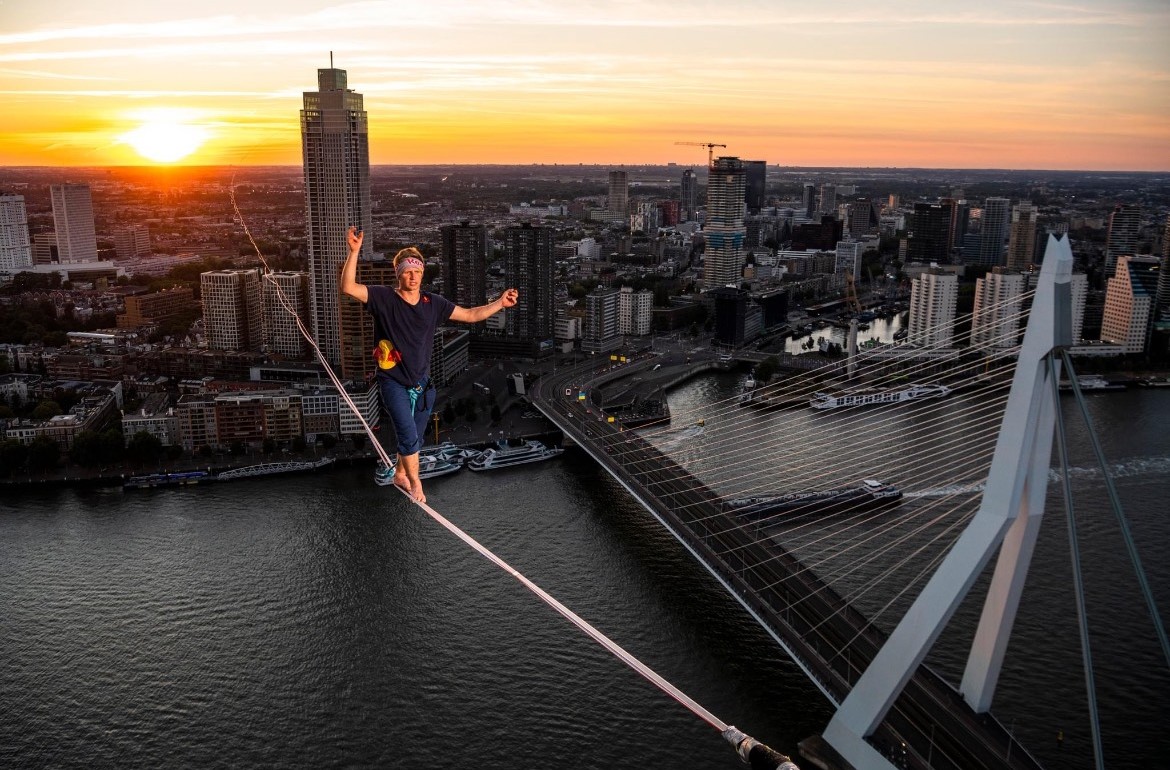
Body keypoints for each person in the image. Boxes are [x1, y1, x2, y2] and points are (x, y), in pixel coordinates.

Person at [340, 226, 518, 502]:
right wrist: (353, 253)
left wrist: (499, 304)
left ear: (423, 273)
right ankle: (415, 482)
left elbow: (470, 315)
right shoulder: (384, 298)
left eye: (417, 271)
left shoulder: (432, 303)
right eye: (407, 272)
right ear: (398, 274)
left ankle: (401, 472)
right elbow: (348, 287)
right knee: (409, 437)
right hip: (393, 381)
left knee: (414, 441)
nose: (413, 277)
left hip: (422, 385)